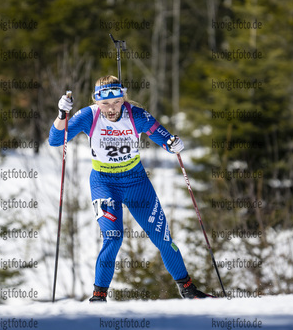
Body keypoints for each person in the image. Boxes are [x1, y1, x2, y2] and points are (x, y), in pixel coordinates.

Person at [49, 75, 211, 302]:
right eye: (105, 103)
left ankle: (189, 290)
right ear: (97, 102)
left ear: (122, 98)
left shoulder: (136, 114)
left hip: (136, 183)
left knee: (162, 238)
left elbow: (164, 137)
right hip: (104, 183)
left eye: (116, 102)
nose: (111, 108)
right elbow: (55, 140)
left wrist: (173, 144)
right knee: (113, 237)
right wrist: (61, 115)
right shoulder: (89, 115)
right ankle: (98, 297)